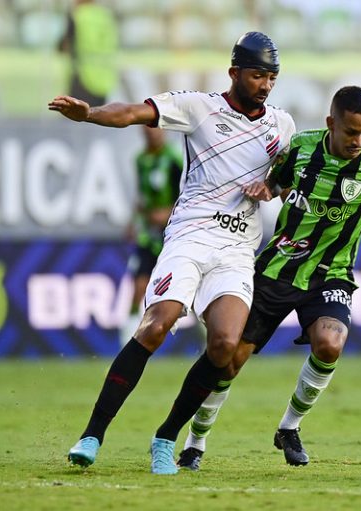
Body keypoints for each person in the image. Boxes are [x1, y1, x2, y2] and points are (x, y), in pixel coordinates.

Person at [48, 31, 296, 475]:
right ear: (234, 72)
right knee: (157, 325)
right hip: (190, 237)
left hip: (238, 248)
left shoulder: (283, 124)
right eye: (258, 75)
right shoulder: (200, 107)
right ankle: (92, 434)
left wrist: (272, 187)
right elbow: (132, 113)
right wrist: (89, 115)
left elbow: (286, 176)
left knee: (224, 345)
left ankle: (165, 437)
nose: (265, 85)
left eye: (272, 77)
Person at [173, 85, 361, 470]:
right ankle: (195, 443)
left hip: (331, 275)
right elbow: (275, 180)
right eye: (351, 132)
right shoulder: (301, 148)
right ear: (330, 124)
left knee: (330, 344)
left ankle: (289, 428)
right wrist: (266, 189)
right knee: (229, 362)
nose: (359, 141)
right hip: (275, 270)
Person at [121, 126, 183, 347]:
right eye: (148, 131)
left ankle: (207, 337)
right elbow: (141, 194)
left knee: (187, 288)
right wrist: (132, 222)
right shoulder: (141, 160)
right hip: (149, 234)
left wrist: (167, 213)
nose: (152, 134)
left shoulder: (174, 158)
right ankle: (128, 338)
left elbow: (187, 193)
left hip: (173, 233)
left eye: (156, 130)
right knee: (138, 284)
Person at [57, 0, 119, 106]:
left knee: (79, 116)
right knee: (98, 115)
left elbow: (63, 46)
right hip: (104, 76)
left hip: (82, 76)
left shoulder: (77, 15)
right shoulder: (105, 15)